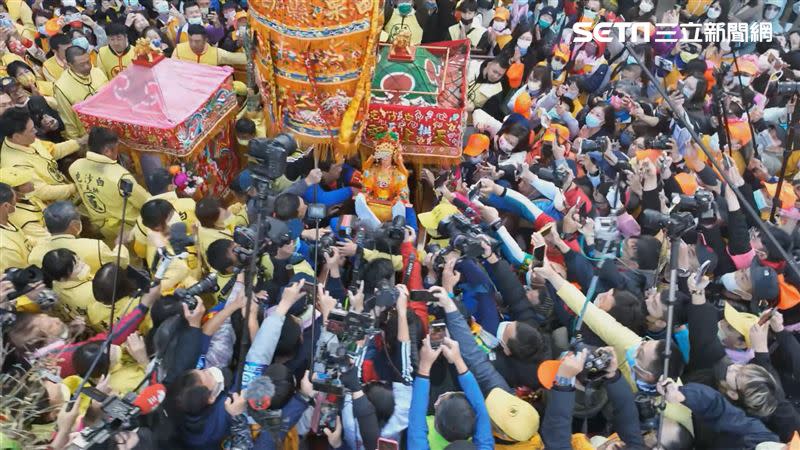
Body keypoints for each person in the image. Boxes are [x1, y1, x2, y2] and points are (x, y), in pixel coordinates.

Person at [67, 127, 149, 240]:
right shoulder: (121, 177)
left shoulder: (75, 166)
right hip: (127, 228)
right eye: (116, 148)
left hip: (102, 226)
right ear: (107, 151)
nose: (118, 151)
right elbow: (144, 202)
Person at [0, 107, 84, 203]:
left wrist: (80, 142)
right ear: (17, 137)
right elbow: (42, 192)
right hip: (56, 205)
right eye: (31, 130)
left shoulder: (26, 139)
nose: (36, 131)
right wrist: (76, 187)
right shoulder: (15, 166)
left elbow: (53, 151)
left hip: (64, 185)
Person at [28, 200, 130, 271]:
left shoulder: (35, 251)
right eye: (79, 219)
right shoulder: (95, 247)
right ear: (74, 225)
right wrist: (120, 243)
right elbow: (121, 262)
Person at [53, 45, 108, 139]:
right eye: (82, 65)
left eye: (88, 62)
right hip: (89, 137)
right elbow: (69, 121)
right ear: (70, 65)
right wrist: (77, 144)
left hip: (109, 127)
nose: (87, 67)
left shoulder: (97, 72)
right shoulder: (61, 87)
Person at [0, 166, 50, 247]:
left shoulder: (27, 198)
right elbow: (47, 241)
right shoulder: (24, 221)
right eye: (24, 184)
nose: (31, 184)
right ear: (13, 191)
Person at [171, 24, 245, 67]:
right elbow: (172, 70)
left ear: (205, 40)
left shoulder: (216, 54)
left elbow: (240, 59)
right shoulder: (178, 50)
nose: (193, 44)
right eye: (190, 40)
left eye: (197, 41)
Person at [0, 182, 29, 273]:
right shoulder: (5, 249)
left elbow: (24, 240)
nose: (16, 201)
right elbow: (19, 277)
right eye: (15, 199)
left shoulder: (5, 221)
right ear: (6, 206)